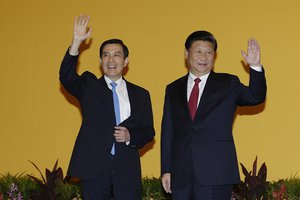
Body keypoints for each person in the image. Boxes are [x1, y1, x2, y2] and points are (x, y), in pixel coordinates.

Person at [160, 30, 267, 199]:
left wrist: (255, 67)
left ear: (214, 56)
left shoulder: (228, 83)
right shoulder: (173, 89)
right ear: (187, 54)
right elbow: (168, 131)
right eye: (199, 51)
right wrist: (166, 169)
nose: (204, 57)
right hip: (181, 175)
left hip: (216, 174)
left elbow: (255, 96)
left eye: (209, 52)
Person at [59, 15, 155, 200]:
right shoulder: (89, 85)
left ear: (126, 61)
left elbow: (148, 131)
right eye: (106, 55)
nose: (111, 59)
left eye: (116, 55)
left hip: (126, 169)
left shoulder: (141, 94)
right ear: (101, 61)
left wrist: (130, 136)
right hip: (94, 168)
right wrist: (76, 43)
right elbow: (66, 77)